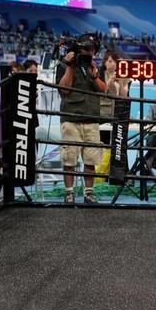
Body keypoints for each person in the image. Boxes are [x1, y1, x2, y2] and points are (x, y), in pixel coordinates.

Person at [55, 32, 107, 204]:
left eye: (92, 49)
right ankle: (69, 193)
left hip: (91, 118)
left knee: (91, 159)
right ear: (78, 49)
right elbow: (64, 90)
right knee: (69, 159)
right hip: (71, 118)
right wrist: (70, 66)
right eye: (86, 48)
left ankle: (88, 194)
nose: (89, 52)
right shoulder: (64, 64)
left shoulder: (94, 67)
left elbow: (103, 90)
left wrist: (95, 76)